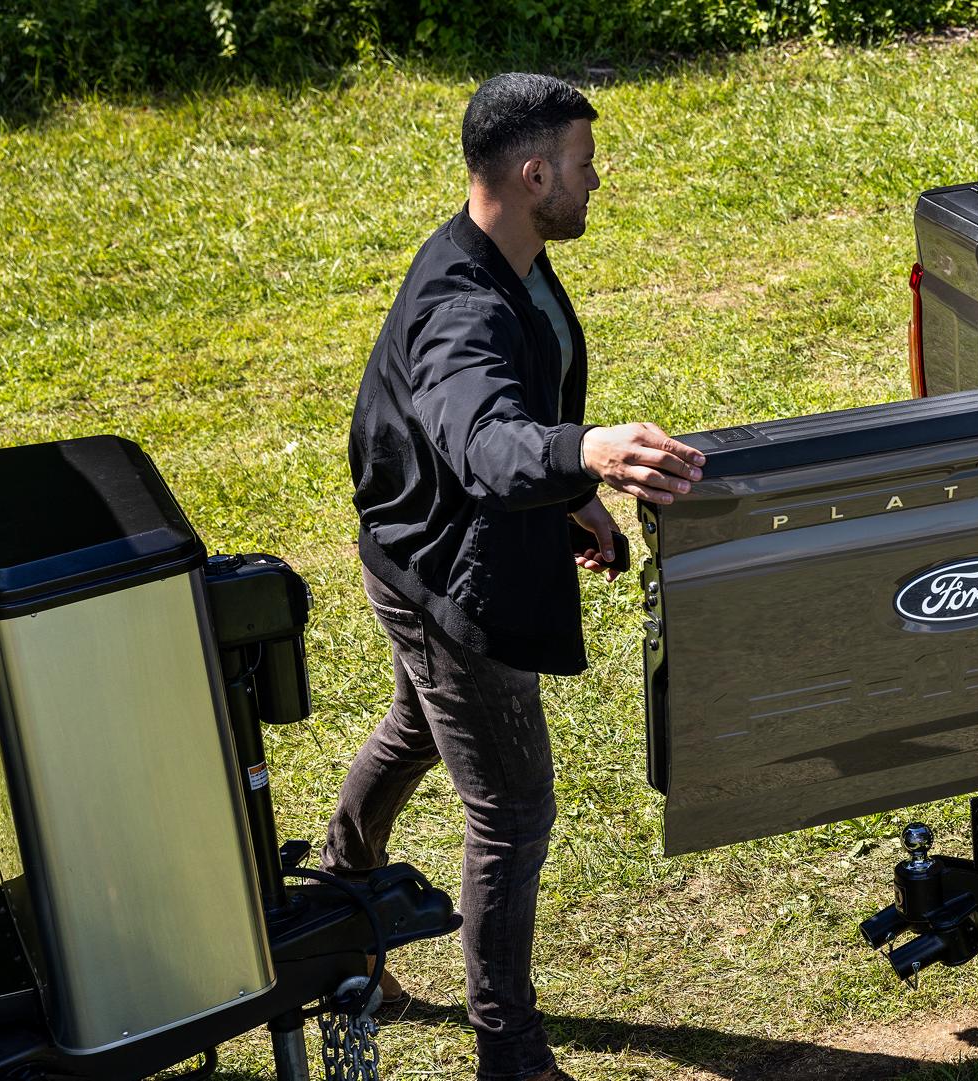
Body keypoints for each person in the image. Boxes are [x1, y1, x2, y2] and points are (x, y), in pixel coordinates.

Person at [329, 72, 705, 1081]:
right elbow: (483, 440)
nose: (598, 181)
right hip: (447, 578)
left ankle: (337, 897)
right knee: (511, 810)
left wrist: (568, 493)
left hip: (420, 548)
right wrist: (584, 453)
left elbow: (513, 421)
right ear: (534, 172)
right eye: (584, 165)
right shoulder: (461, 302)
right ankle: (512, 1053)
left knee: (416, 726)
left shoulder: (512, 255)